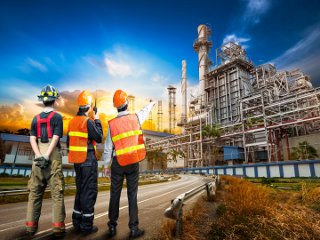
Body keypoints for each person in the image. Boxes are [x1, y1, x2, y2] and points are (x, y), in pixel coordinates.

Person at [103, 89, 155, 238]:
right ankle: (134, 228)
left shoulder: (112, 124)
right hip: (133, 162)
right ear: (126, 103)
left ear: (115, 106)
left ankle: (112, 226)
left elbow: (108, 148)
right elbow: (144, 111)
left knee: (114, 195)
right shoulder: (136, 118)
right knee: (132, 195)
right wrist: (151, 104)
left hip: (118, 162)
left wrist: (106, 166)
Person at [26, 85, 66, 237]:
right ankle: (58, 228)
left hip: (37, 157)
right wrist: (47, 156)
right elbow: (55, 138)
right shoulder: (57, 117)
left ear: (42, 101)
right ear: (54, 100)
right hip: (52, 156)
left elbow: (32, 138)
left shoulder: (35, 119)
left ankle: (30, 228)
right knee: (57, 193)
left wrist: (38, 156)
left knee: (34, 193)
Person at [67, 90, 103, 235]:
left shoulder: (72, 122)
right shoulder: (88, 121)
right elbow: (99, 137)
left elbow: (69, 142)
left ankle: (76, 222)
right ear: (88, 107)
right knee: (89, 192)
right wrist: (97, 119)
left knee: (80, 191)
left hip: (77, 161)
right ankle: (86, 226)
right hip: (88, 160)